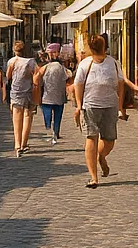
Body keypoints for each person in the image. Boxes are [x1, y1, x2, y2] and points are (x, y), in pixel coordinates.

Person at [70, 35, 126, 189]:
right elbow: (78, 84)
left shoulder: (114, 63)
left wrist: (120, 105)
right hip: (90, 106)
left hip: (110, 105)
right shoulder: (85, 64)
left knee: (109, 140)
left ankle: (101, 156)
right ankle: (94, 177)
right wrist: (79, 105)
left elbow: (121, 83)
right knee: (91, 138)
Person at [6, 40, 39, 157]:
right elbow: (37, 74)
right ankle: (24, 143)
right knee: (27, 116)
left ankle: (17, 144)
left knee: (16, 118)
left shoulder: (11, 61)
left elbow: (8, 77)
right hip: (28, 91)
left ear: (14, 50)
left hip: (15, 91)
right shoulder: (31, 62)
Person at [38, 43, 69, 145]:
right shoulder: (61, 67)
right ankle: (55, 131)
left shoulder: (45, 67)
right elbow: (68, 77)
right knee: (58, 116)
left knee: (47, 114)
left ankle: (48, 129)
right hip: (59, 96)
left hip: (47, 96)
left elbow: (37, 79)